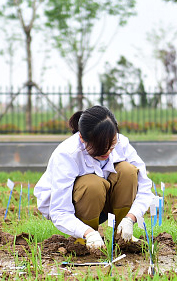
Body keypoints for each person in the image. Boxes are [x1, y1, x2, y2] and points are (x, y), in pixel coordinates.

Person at [34, 105, 154, 252]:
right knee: (92, 184)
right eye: (100, 149)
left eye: (111, 146)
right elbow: (59, 211)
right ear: (82, 138)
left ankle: (122, 237)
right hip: (78, 209)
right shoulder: (67, 154)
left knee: (127, 171)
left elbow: (145, 187)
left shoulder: (121, 143)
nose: (108, 152)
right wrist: (88, 233)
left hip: (107, 204)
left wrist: (131, 217)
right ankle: (84, 241)